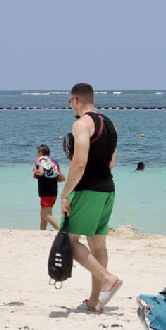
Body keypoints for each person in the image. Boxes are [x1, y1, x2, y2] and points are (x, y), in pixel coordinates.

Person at [61, 83, 122, 313]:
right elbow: (111, 162)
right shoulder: (110, 124)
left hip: (87, 189)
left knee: (70, 241)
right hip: (108, 188)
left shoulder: (81, 124)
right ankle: (95, 301)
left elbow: (79, 163)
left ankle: (108, 278)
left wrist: (66, 193)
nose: (71, 107)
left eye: (70, 102)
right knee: (97, 244)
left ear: (76, 100)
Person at [33, 144, 66, 230]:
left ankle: (63, 232)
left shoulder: (40, 160)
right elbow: (62, 178)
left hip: (45, 192)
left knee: (46, 215)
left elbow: (40, 172)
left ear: (40, 152)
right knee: (43, 214)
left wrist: (35, 170)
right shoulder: (54, 162)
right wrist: (52, 181)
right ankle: (42, 232)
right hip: (53, 191)